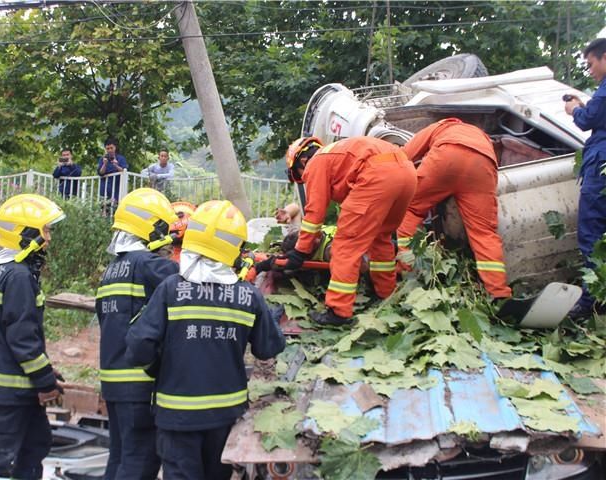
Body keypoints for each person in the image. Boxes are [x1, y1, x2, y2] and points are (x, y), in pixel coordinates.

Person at [125, 200, 286, 480]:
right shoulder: (249, 296)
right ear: (236, 251)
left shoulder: (171, 289)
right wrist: (270, 319)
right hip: (225, 416)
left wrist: (159, 366)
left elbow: (139, 346)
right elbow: (269, 348)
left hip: (176, 416)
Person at [259, 136, 417, 326]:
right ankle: (385, 293)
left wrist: (301, 251)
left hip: (377, 176)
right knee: (381, 237)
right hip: (407, 173)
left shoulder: (316, 163)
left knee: (345, 247)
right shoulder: (337, 154)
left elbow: (314, 214)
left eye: (302, 177)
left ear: (302, 161)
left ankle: (338, 312)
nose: (305, 180)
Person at [0, 194, 66, 480]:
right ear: (26, 234)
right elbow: (22, 338)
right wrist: (45, 381)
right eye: (44, 231)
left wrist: (45, 371)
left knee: (35, 444)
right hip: (12, 391)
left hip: (18, 388)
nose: (48, 239)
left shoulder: (11, 272)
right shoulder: (19, 276)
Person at [96, 188, 179, 480]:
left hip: (114, 380)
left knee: (120, 456)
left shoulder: (112, 269)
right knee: (139, 463)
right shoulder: (147, 264)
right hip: (139, 382)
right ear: (153, 228)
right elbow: (189, 285)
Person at [395, 118, 512, 300]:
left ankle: (404, 274)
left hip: (446, 157)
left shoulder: (441, 126)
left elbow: (403, 156)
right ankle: (499, 293)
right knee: (484, 234)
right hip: (481, 164)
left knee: (409, 210)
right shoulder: (481, 136)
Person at [565, 38, 606, 318]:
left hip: (601, 164)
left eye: (591, 64)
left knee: (592, 233)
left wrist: (575, 109)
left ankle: (592, 302)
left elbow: (587, 120)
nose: (589, 71)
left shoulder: (604, 92)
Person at [98, 138, 128, 209]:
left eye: (111, 148)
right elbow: (100, 173)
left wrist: (116, 165)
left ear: (115, 147)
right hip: (104, 189)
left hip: (117, 190)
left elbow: (124, 171)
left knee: (116, 209)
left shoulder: (120, 158)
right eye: (107, 148)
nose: (110, 150)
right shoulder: (102, 159)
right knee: (104, 209)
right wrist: (104, 164)